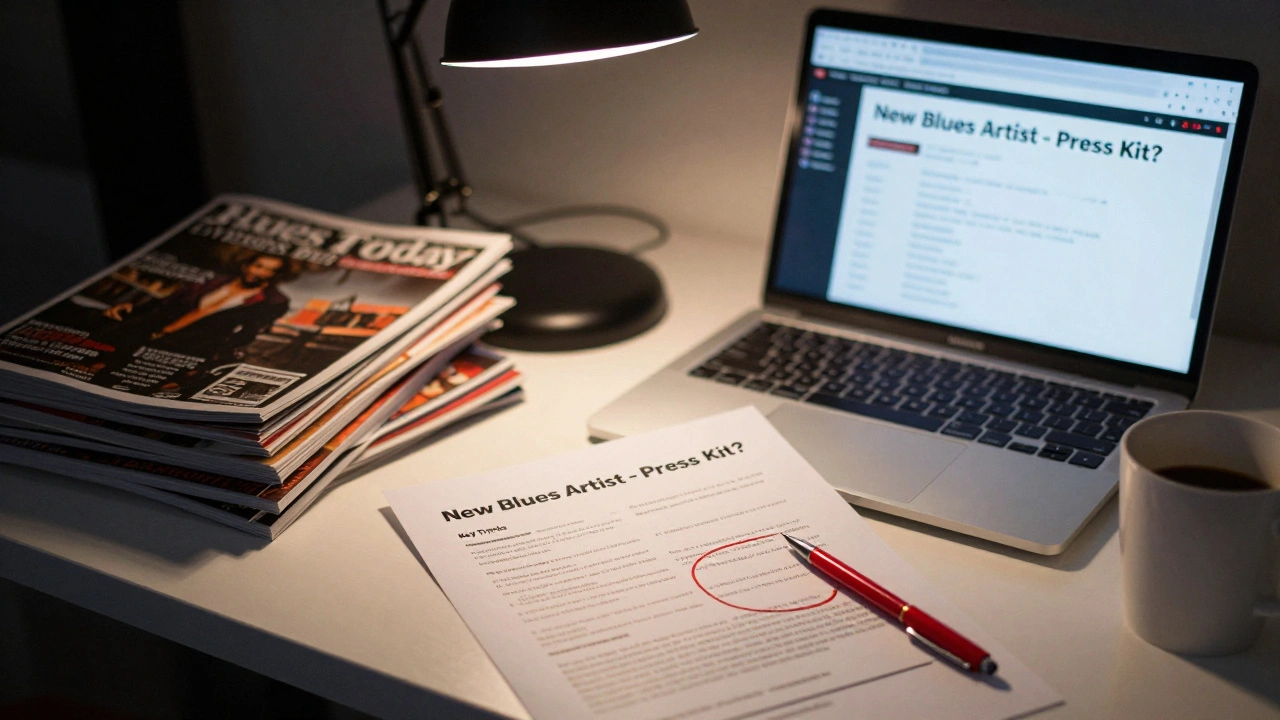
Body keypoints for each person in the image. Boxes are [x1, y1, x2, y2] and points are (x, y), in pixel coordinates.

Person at [99, 254, 292, 388]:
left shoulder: (274, 300)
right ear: (246, 265)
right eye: (258, 266)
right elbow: (169, 302)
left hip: (190, 348)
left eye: (269, 270)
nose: (260, 272)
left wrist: (209, 362)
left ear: (276, 275)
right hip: (151, 331)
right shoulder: (214, 281)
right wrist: (132, 307)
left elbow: (247, 334)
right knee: (101, 367)